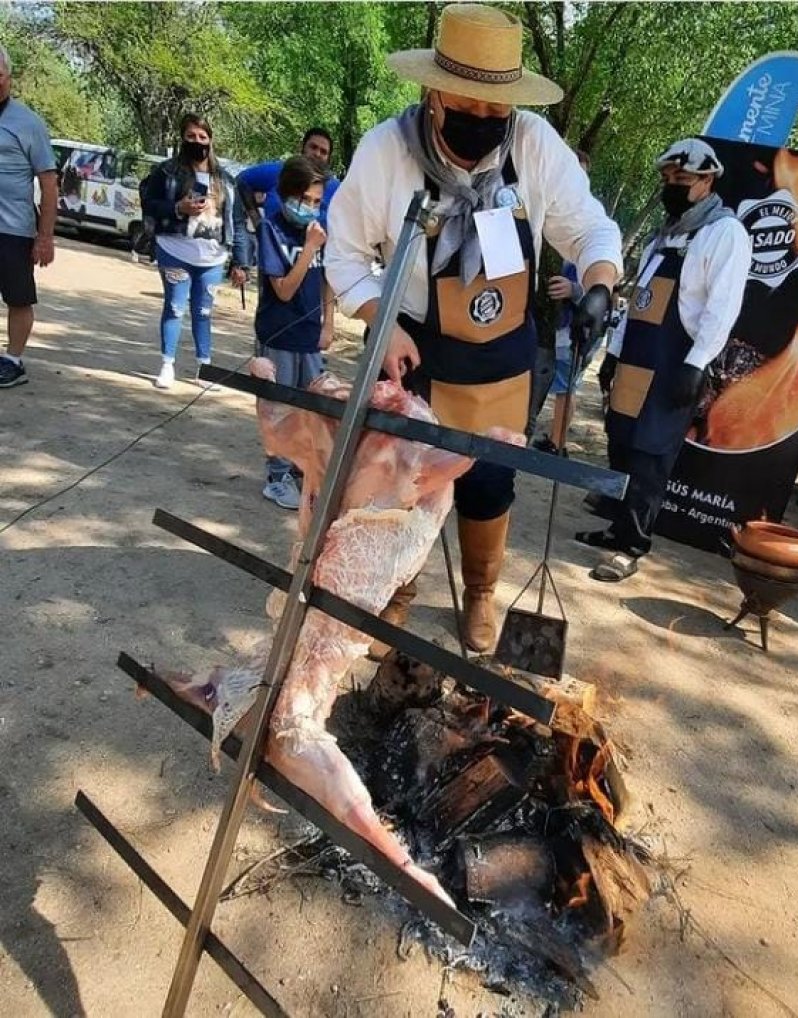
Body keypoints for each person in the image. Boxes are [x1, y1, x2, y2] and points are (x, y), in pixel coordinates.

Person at [325, 3, 622, 656]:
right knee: (403, 481)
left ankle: (482, 591)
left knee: (489, 483)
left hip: (502, 359)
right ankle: (396, 593)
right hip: (415, 350)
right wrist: (379, 321)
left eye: (498, 111)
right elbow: (343, 252)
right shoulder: (387, 152)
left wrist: (600, 280)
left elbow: (589, 226)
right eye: (471, 105)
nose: (485, 122)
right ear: (435, 92)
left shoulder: (535, 145)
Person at [576, 137, 752, 582]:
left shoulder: (724, 232)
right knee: (621, 445)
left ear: (708, 180)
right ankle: (617, 529)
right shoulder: (666, 233)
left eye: (683, 179)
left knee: (651, 456)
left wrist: (696, 364)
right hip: (637, 358)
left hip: (675, 362)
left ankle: (632, 544)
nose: (672, 186)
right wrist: (614, 353)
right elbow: (638, 300)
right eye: (668, 179)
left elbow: (722, 307)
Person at [141, 113, 246, 390]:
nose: (197, 142)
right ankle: (167, 365)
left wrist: (241, 262)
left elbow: (237, 222)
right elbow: (149, 204)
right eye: (191, 137)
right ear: (182, 139)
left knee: (203, 312)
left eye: (202, 137)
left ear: (210, 141)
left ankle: (204, 368)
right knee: (175, 307)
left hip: (213, 258)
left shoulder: (225, 180)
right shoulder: (166, 172)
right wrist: (178, 208)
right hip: (175, 250)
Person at [254, 155, 334, 510]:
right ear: (288, 194)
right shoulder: (271, 230)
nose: (312, 209)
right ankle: (277, 476)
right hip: (278, 335)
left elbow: (328, 279)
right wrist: (309, 250)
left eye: (317, 202)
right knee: (279, 408)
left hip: (309, 335)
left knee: (313, 409)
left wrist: (328, 323)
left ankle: (304, 469)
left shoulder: (319, 231)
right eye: (306, 200)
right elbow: (283, 289)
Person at [531, 148, 596, 454]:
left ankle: (558, 442)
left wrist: (574, 290)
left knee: (565, 387)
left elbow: (604, 286)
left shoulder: (593, 226)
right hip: (537, 325)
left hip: (570, 328)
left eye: (580, 173)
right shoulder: (537, 213)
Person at [0, 45, 57, 389]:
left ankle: (12, 360)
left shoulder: (28, 123)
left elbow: (49, 185)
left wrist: (45, 237)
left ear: (7, 76)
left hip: (12, 229)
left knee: (18, 297)